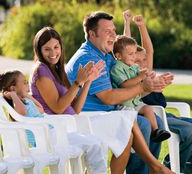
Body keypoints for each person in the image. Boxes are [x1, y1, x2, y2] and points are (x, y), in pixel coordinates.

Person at [66, 11, 175, 174]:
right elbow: (108, 97)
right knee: (143, 123)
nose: (113, 35)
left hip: (107, 115)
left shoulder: (104, 56)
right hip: (87, 119)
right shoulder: (89, 58)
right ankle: (151, 169)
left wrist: (152, 86)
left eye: (113, 31)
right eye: (107, 32)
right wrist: (142, 87)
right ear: (92, 34)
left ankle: (151, 169)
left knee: (151, 121)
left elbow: (125, 80)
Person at [0, 70, 108, 174]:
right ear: (13, 88)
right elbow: (22, 111)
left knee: (98, 142)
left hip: (53, 134)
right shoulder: (18, 107)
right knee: (93, 144)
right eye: (24, 83)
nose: (27, 85)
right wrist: (14, 95)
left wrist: (26, 95)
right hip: (47, 138)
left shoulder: (26, 101)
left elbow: (40, 109)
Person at [129, 12, 192, 173]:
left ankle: (179, 166)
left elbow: (148, 51)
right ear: (128, 61)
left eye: (144, 59)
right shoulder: (131, 76)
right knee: (189, 131)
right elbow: (124, 44)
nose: (143, 62)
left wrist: (142, 26)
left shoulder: (146, 69)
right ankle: (173, 168)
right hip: (155, 119)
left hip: (166, 115)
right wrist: (127, 24)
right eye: (137, 60)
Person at [110, 35, 171, 142]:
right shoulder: (117, 68)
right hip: (124, 105)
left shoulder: (134, 66)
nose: (134, 57)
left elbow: (144, 80)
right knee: (136, 124)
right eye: (130, 54)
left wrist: (152, 79)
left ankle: (156, 131)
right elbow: (124, 85)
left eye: (134, 53)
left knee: (148, 108)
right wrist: (140, 77)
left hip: (135, 102)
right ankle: (138, 144)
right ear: (118, 56)